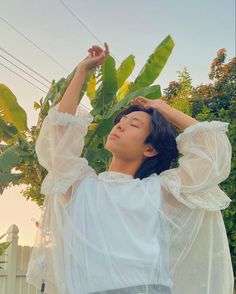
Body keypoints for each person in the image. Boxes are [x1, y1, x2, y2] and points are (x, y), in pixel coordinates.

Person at [26, 43, 234, 294]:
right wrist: (82, 70)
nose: (120, 125)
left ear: (150, 149)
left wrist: (164, 109)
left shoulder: (157, 191)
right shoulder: (81, 185)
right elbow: (58, 137)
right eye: (121, 120)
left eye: (134, 124)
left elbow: (210, 153)